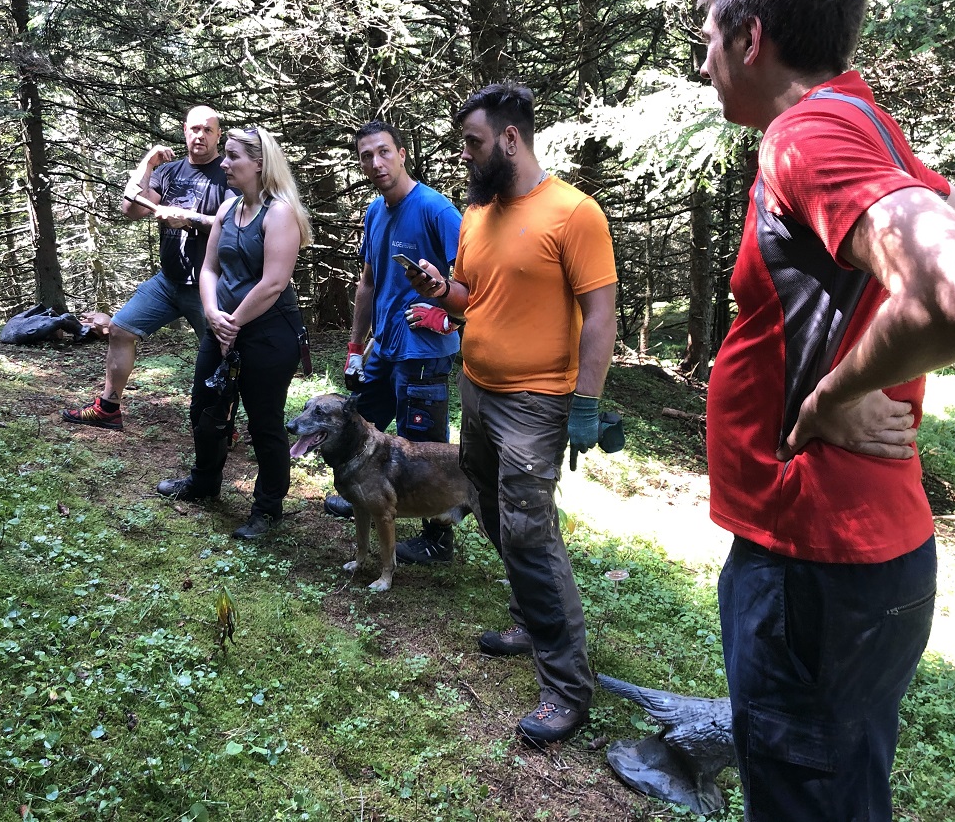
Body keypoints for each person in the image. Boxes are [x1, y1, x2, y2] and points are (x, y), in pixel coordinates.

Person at [697, 0, 955, 822]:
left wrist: (831, 394)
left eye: (708, 39)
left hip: (815, 563)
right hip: (863, 559)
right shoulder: (861, 119)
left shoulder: (808, 134)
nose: (705, 64)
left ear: (751, 38)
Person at [409, 83, 619, 745]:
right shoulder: (477, 214)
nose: (465, 155)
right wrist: (441, 289)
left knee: (529, 531)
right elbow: (472, 296)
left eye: (473, 142)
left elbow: (601, 313)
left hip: (537, 401)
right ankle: (532, 613)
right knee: (490, 506)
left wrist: (586, 401)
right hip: (477, 388)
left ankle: (567, 690)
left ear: (509, 138)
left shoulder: (573, 213)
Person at [157, 126, 314, 540]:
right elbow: (209, 268)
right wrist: (213, 313)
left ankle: (267, 508)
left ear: (259, 164)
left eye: (233, 157)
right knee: (205, 407)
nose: (224, 164)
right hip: (223, 327)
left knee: (264, 423)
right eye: (225, 155)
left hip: (269, 334)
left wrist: (233, 321)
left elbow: (274, 283)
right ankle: (204, 481)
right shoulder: (228, 209)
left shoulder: (280, 213)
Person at [322, 120, 465, 565]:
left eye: (384, 151)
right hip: (383, 348)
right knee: (364, 424)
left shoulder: (437, 210)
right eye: (366, 156)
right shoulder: (374, 212)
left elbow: (477, 282)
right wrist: (355, 345)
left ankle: (437, 538)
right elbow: (367, 282)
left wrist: (448, 317)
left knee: (422, 446)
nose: (376, 162)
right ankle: (366, 493)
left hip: (423, 352)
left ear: (402, 154)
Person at [63, 106, 232, 430]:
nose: (200, 135)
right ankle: (108, 408)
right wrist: (148, 163)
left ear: (218, 135)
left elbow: (236, 223)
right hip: (168, 282)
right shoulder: (168, 172)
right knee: (121, 330)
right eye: (195, 129)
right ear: (185, 130)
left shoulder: (226, 173)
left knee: (223, 353)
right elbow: (130, 207)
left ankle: (223, 424)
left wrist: (190, 218)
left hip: (209, 285)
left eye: (208, 130)